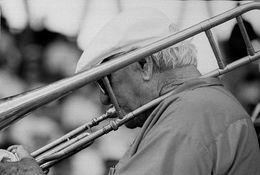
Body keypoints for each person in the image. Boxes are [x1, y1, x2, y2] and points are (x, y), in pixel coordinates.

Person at [1, 7, 260, 175]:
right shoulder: (194, 108)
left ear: (144, 65)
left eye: (105, 82)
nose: (104, 97)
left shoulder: (190, 114)